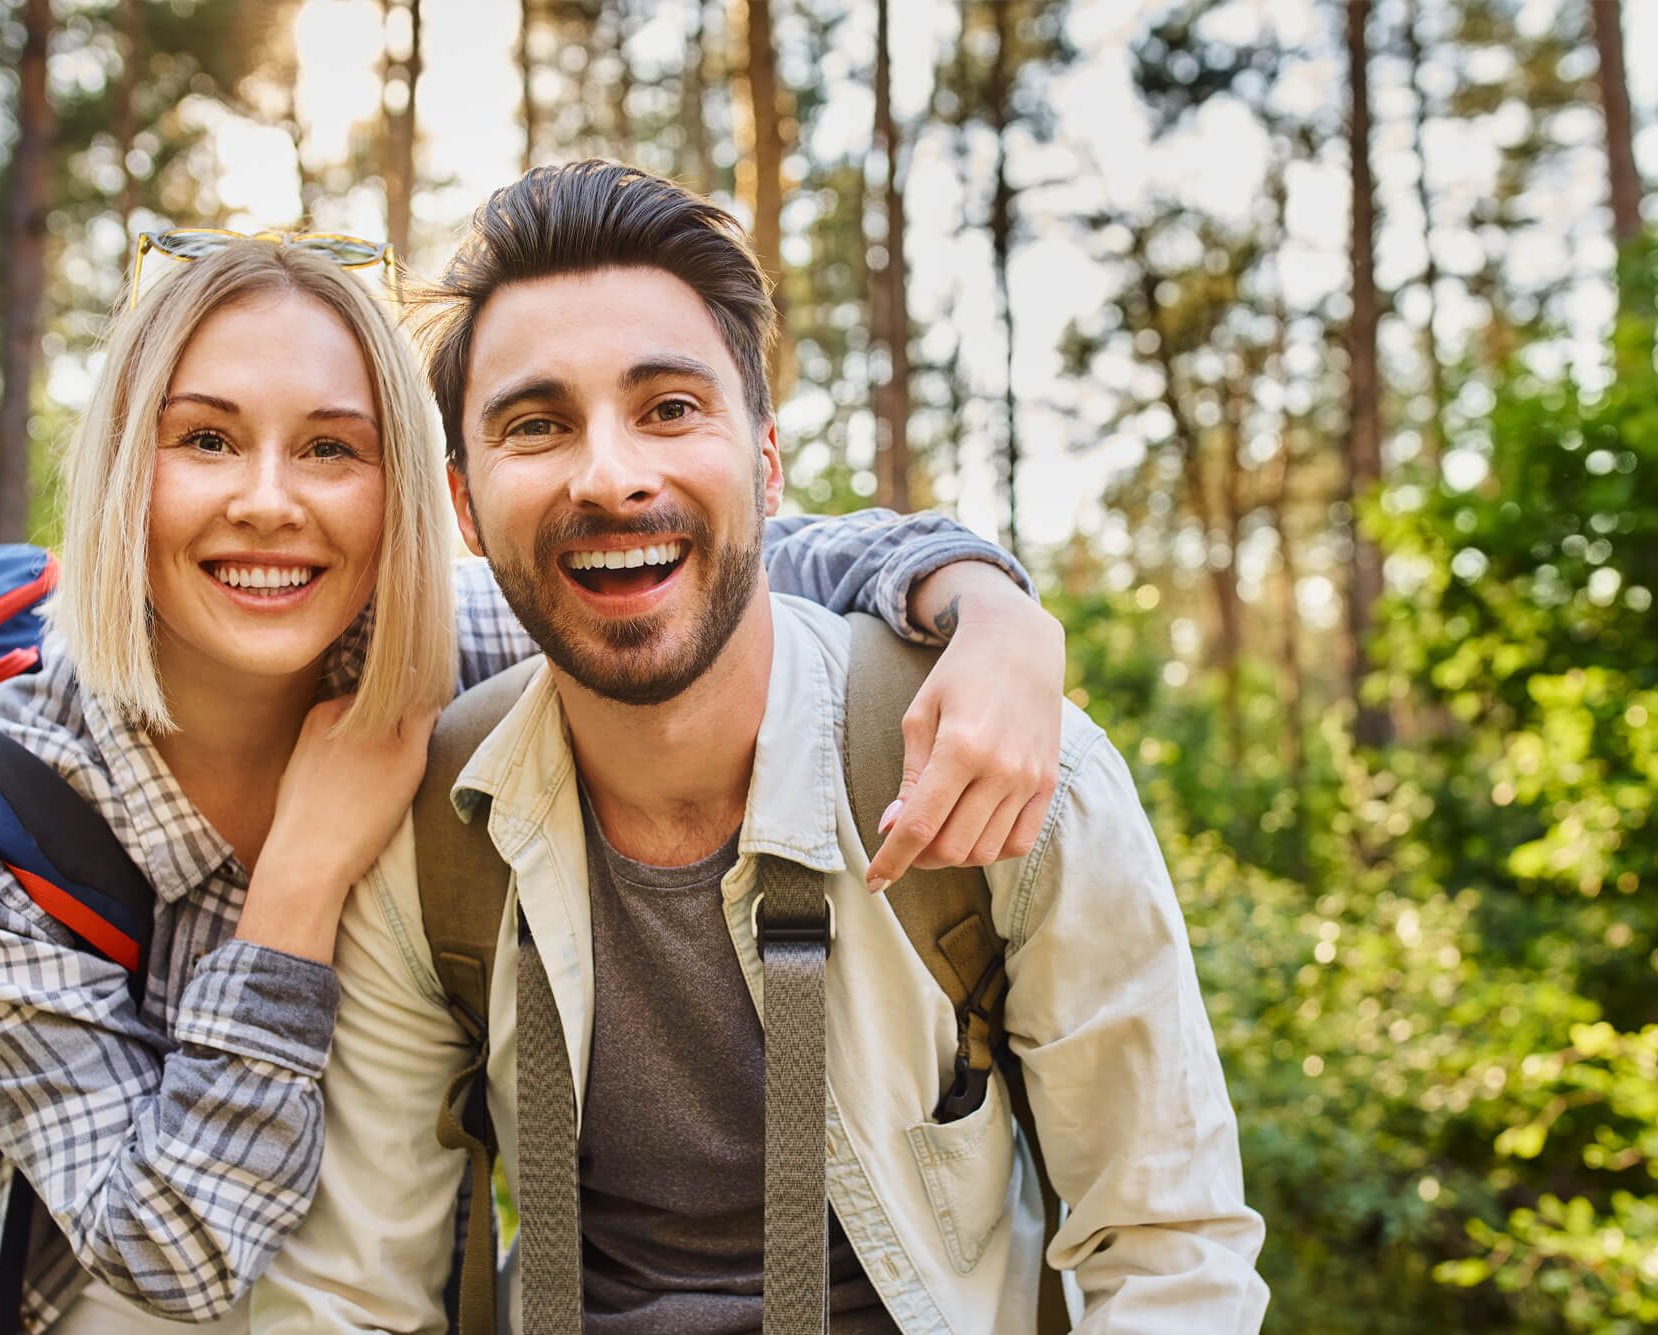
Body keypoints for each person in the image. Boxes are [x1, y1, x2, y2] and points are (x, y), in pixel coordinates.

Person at [0, 230, 1073, 1335]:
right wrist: (299, 881)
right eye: (204, 439)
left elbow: (733, 560)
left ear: (406, 486)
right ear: (116, 476)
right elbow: (177, 1254)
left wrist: (986, 609)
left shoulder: (444, 654)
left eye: (330, 447)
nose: (268, 500)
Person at [252, 163, 1269, 1334]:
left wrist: (988, 603)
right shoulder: (433, 825)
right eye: (536, 425)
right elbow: (345, 1298)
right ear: (465, 508)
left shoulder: (1005, 763)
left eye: (669, 409)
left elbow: (1164, 1255)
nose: (610, 474)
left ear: (767, 465)